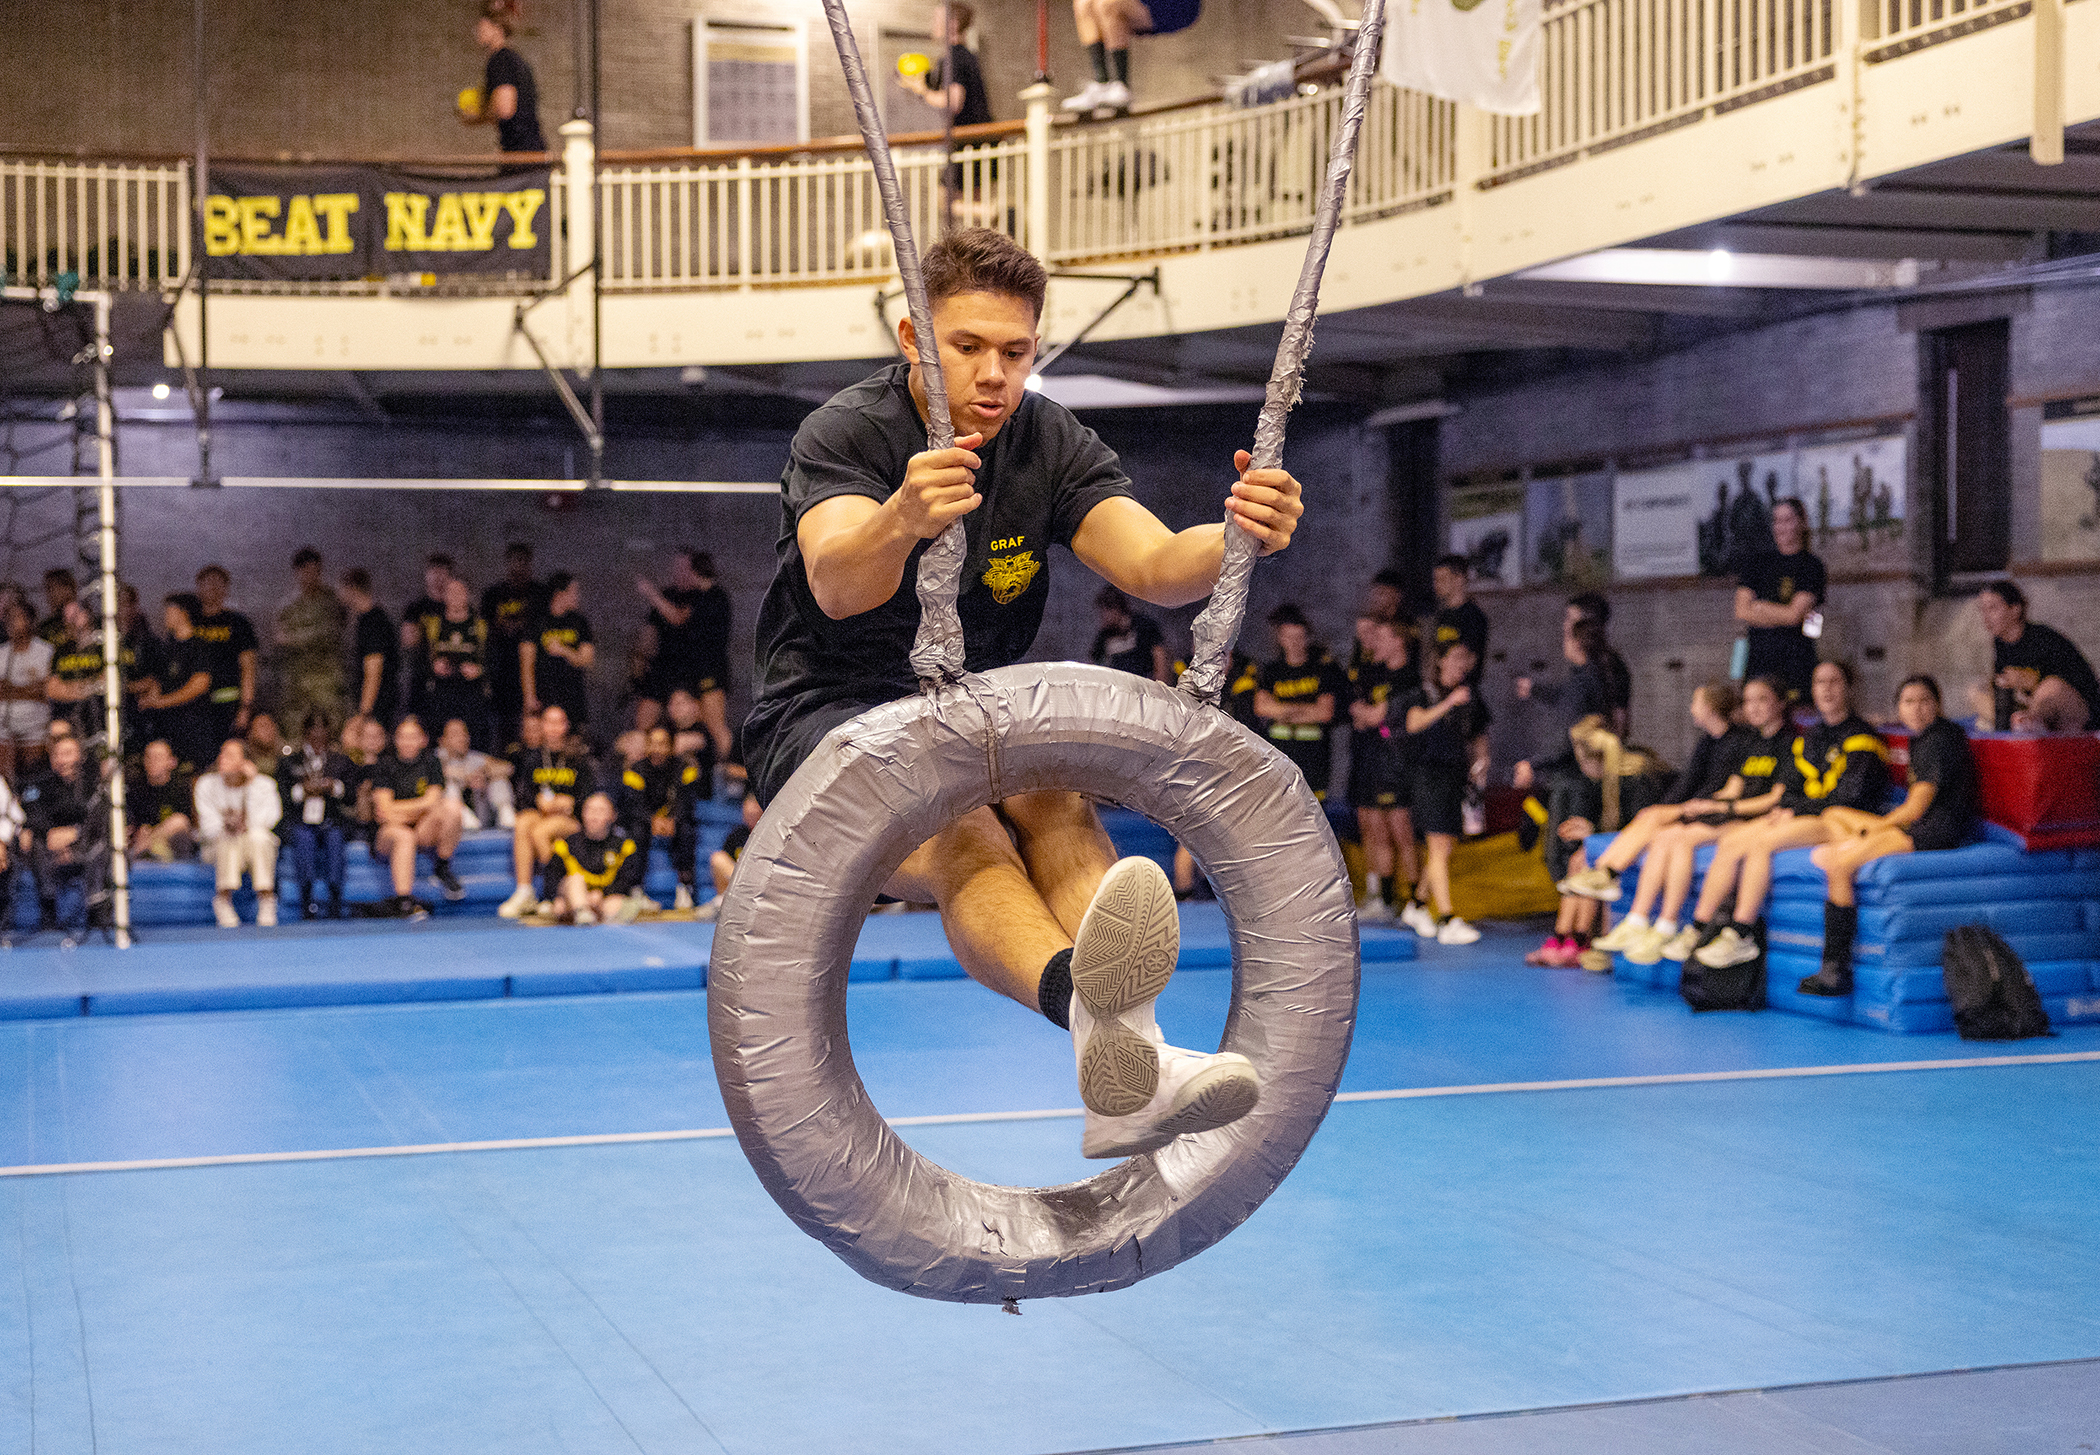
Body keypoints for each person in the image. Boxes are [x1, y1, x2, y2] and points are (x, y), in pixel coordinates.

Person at [742, 227, 1303, 1159]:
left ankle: (1128, 1073)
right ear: (912, 337)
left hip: (967, 706)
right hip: (829, 722)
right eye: (968, 348)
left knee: (1055, 795)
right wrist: (901, 518)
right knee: (965, 833)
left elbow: (1156, 564)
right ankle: (1104, 1031)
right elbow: (839, 582)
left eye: (1016, 352)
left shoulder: (1046, 438)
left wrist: (1237, 534)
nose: (995, 375)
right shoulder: (849, 431)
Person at [1686, 661, 1890, 970]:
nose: (1826, 689)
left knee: (1762, 843)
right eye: (1820, 682)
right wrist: (1788, 808)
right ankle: (1698, 929)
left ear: (1849, 687)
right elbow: (1791, 788)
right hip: (1809, 816)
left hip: (1842, 821)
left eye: (1834, 681)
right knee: (1732, 841)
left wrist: (1795, 809)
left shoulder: (1863, 736)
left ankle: (1741, 933)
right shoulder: (1810, 737)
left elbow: (1851, 797)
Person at [1569, 678, 1786, 962]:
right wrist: (1712, 804)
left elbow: (1770, 797)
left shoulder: (1769, 741)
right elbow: (1731, 787)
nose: (1753, 708)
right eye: (1749, 701)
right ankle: (1638, 917)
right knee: (1663, 833)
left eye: (1762, 700)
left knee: (1676, 834)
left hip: (1744, 818)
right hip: (1724, 810)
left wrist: (1712, 807)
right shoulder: (1748, 743)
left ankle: (1675, 922)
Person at [1797, 675, 1977, 996]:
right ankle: (1858, 850)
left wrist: (1874, 830)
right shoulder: (1925, 738)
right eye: (1908, 702)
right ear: (1898, 709)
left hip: (1934, 830)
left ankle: (1834, 970)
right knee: (1834, 813)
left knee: (1837, 865)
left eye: (1924, 701)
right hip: (1919, 824)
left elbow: (1915, 810)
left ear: (1938, 705)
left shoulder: (1937, 740)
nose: (1917, 709)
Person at [1526, 717, 1674, 968]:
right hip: (1622, 841)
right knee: (1580, 856)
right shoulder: (1602, 779)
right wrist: (1590, 831)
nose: (1580, 769)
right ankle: (1564, 936)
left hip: (1651, 841)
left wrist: (1594, 835)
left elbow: (1639, 827)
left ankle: (1582, 938)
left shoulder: (1637, 777)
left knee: (1587, 858)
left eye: (1582, 762)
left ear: (1594, 761)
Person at [1398, 639, 1488, 945]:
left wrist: (1481, 762)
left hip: (1455, 778)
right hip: (1428, 776)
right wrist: (1449, 703)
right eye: (1456, 657)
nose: (1462, 663)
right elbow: (1413, 723)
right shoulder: (1422, 693)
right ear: (1440, 662)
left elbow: (1478, 735)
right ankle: (1447, 918)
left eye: (1466, 657)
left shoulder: (1471, 698)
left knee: (1444, 848)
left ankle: (1418, 905)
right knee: (1437, 847)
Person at [1346, 610, 1417, 922]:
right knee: (1375, 830)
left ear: (1398, 641)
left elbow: (1375, 717)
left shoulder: (1409, 678)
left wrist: (1371, 714)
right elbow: (1358, 712)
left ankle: (1415, 901)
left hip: (1399, 763)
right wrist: (1368, 713)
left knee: (1401, 833)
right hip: (1373, 760)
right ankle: (1384, 898)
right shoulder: (1375, 673)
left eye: (1382, 637)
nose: (1375, 643)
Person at [635, 549, 733, 764]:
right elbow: (649, 634)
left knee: (715, 725)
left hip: (707, 668)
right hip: (669, 668)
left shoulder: (713, 597)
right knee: (644, 722)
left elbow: (678, 618)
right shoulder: (673, 594)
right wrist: (639, 663)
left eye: (685, 569)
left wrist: (651, 594)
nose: (679, 574)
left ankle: (725, 775)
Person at [498, 704, 594, 918]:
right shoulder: (533, 757)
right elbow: (524, 796)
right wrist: (538, 799)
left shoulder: (578, 757)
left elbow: (589, 796)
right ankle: (525, 891)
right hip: (542, 814)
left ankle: (556, 889)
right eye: (548, 722)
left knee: (540, 831)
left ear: (566, 726)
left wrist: (569, 802)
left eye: (558, 722)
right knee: (523, 823)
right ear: (542, 725)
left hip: (571, 819)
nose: (552, 727)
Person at [369, 715, 466, 918]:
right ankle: (404, 900)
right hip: (389, 833)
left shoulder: (431, 762)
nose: (407, 742)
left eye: (413, 736)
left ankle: (442, 864)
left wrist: (400, 811)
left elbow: (433, 801)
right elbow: (384, 809)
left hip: (421, 827)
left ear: (423, 740)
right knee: (404, 836)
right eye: (402, 737)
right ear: (395, 740)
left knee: (453, 808)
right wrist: (420, 808)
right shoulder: (384, 763)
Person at [1972, 580, 2099, 733]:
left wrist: (2028, 681)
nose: (1986, 617)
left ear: (2015, 609)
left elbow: (2073, 684)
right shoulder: (2000, 643)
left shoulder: (2043, 638)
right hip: (2032, 708)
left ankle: (2026, 727)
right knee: (1976, 692)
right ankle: (2007, 729)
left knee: (2049, 688)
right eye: (1983, 610)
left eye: (1992, 608)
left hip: (2079, 713)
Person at [1733, 497, 1825, 702]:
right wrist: (1779, 613)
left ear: (1802, 522)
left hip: (1796, 662)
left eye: (1788, 520)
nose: (1781, 527)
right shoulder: (1756, 562)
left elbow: (1795, 615)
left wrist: (1760, 607)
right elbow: (1741, 610)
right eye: (1777, 521)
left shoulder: (1811, 566)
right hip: (1758, 661)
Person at [1254, 604, 1348, 801]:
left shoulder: (1323, 668)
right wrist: (1305, 710)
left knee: (1313, 817)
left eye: (1299, 637)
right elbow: (1261, 707)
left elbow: (1324, 712)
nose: (1294, 643)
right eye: (1289, 637)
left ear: (1307, 637)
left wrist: (1282, 711)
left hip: (1314, 758)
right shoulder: (1272, 671)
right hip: (1279, 755)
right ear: (1280, 639)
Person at [20, 730, 104, 941]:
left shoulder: (92, 784)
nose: (63, 760)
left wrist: (75, 835)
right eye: (58, 754)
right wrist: (51, 835)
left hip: (83, 842)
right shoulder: (41, 782)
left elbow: (98, 816)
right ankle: (49, 912)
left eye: (68, 753)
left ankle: (97, 912)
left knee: (102, 843)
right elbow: (31, 814)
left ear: (80, 757)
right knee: (34, 840)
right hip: (49, 845)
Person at [194, 738, 283, 929]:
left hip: (253, 844)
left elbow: (267, 822)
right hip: (216, 847)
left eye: (230, 755)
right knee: (229, 838)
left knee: (259, 837)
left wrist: (250, 785)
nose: (222, 758)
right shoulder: (205, 784)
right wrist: (228, 826)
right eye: (222, 753)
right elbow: (208, 828)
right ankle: (223, 900)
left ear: (245, 762)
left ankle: (266, 900)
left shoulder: (264, 785)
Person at [278, 711, 356, 919]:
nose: (318, 734)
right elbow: (282, 796)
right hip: (302, 820)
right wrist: (302, 791)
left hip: (331, 819)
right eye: (313, 729)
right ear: (305, 732)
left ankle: (335, 899)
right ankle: (307, 900)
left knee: (335, 838)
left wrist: (334, 787)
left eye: (323, 729)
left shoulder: (340, 761)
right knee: (303, 839)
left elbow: (351, 795)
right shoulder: (290, 761)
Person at [1060, 0, 1199, 114]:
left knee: (1108, 4)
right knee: (1083, 3)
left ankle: (1122, 86)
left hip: (1175, 7)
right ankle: (1102, 84)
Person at [620, 723, 701, 909]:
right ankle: (635, 890)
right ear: (647, 746)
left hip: (674, 822)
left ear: (671, 747)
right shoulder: (634, 770)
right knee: (637, 832)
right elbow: (633, 805)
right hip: (646, 822)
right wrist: (652, 821)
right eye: (653, 743)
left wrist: (674, 820)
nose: (657, 749)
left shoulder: (685, 768)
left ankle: (685, 889)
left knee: (687, 831)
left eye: (663, 744)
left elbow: (687, 802)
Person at [138, 594, 217, 773]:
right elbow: (156, 679)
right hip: (167, 725)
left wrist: (161, 702)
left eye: (169, 610)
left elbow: (199, 685)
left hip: (193, 725)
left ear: (183, 613)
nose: (165, 615)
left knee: (193, 772)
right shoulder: (165, 647)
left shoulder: (199, 646)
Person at [543, 791, 647, 925]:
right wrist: (556, 899)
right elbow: (551, 879)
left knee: (616, 905)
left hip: (604, 900)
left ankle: (592, 919)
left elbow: (628, 881)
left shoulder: (625, 846)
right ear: (582, 813)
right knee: (574, 882)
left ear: (612, 815)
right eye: (589, 810)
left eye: (600, 810)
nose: (593, 816)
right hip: (573, 899)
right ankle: (582, 912)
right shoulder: (565, 844)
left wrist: (599, 895)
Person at [274, 547, 347, 734]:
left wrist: (296, 638)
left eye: (316, 571)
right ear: (297, 572)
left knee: (334, 725)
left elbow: (331, 633)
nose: (311, 575)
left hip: (328, 679)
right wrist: (307, 637)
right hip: (297, 680)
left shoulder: (333, 601)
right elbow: (280, 639)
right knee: (294, 728)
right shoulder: (288, 606)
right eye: (306, 571)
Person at [461, 0, 546, 154]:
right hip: (532, 152)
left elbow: (505, 108)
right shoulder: (515, 60)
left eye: (483, 24)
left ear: (497, 28)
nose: (478, 30)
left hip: (521, 156)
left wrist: (477, 116)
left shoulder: (499, 60)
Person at [481, 543, 545, 747]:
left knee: (531, 726)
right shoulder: (493, 595)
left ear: (529, 564)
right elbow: (485, 631)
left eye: (523, 562)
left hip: (532, 671)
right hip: (501, 669)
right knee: (501, 729)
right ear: (507, 564)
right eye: (514, 562)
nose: (518, 567)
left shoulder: (539, 594)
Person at [190, 566, 259, 749]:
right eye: (208, 583)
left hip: (228, 704)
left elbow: (248, 667)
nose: (213, 588)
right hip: (195, 706)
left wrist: (245, 707)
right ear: (199, 587)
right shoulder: (189, 622)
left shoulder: (238, 623)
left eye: (218, 583)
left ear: (225, 589)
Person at [423, 577, 493, 749]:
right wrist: (434, 668)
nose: (455, 597)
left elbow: (494, 660)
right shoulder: (434, 625)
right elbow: (420, 660)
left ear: (467, 595)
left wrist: (479, 670)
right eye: (451, 592)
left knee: (474, 743)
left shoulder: (480, 625)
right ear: (444, 595)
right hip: (441, 696)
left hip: (471, 697)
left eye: (460, 592)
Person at [521, 572, 594, 730]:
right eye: (573, 592)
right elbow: (526, 664)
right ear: (560, 594)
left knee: (574, 735)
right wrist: (529, 697)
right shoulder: (537, 622)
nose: (577, 597)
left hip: (572, 692)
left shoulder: (579, 622)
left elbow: (587, 659)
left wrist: (564, 650)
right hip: (544, 690)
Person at [339, 569, 401, 727]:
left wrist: (365, 712)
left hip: (377, 709)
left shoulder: (373, 622)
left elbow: (374, 669)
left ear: (351, 588)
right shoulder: (367, 619)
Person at [0, 600, 54, 781]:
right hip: (4, 724)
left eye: (18, 618)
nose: (12, 624)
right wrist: (27, 689)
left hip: (36, 724)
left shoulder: (45, 650)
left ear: (30, 621)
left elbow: (44, 690)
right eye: (8, 619)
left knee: (33, 773)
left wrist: (11, 689)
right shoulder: (2, 653)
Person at [400, 555, 454, 724]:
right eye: (434, 572)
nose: (438, 578)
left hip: (450, 684)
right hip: (421, 682)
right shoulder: (416, 608)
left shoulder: (458, 609)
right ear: (427, 575)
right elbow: (408, 642)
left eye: (442, 572)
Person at [436, 716, 514, 831]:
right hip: (451, 818)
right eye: (455, 734)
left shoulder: (475, 758)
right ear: (443, 740)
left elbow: (508, 768)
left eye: (464, 734)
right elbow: (441, 772)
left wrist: (485, 775)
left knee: (499, 779)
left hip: (482, 811)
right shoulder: (437, 757)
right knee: (451, 784)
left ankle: (506, 814)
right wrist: (467, 779)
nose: (461, 738)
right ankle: (462, 817)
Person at [697, 788, 763, 922]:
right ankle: (723, 900)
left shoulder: (768, 835)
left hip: (760, 886)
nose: (750, 814)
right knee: (718, 858)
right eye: (747, 810)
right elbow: (724, 865)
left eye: (754, 811)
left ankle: (729, 904)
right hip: (739, 887)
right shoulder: (737, 834)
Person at [43, 599, 106, 737]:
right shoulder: (60, 651)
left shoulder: (103, 648)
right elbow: (52, 689)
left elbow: (106, 682)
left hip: (99, 719)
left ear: (87, 614)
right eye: (67, 617)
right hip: (67, 718)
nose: (70, 620)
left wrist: (69, 689)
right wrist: (88, 687)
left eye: (75, 615)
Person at [127, 738, 197, 862]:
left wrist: (155, 833)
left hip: (169, 838)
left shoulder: (182, 786)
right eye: (149, 757)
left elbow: (184, 822)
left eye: (158, 757)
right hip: (140, 842)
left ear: (172, 762)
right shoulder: (135, 787)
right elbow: (133, 824)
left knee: (178, 822)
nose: (152, 761)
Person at [1089, 585, 1170, 682]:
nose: (1102, 618)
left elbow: (1159, 658)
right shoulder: (1103, 638)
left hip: (1146, 686)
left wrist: (1160, 687)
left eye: (1104, 612)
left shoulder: (1143, 626)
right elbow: (1095, 666)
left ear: (1115, 609)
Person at [1429, 553, 1488, 685]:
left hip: (1462, 691)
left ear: (1459, 579)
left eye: (1442, 579)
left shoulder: (1473, 616)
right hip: (1442, 690)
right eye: (1435, 580)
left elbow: (1468, 658)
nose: (1437, 585)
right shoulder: (1442, 616)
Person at [34, 569, 77, 646]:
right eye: (48, 590)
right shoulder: (46, 628)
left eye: (55, 588)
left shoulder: (85, 619)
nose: (51, 595)